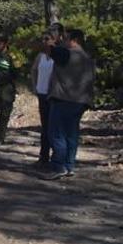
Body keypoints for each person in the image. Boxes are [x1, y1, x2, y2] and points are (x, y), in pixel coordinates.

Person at [41, 29, 96, 180]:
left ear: (74, 40)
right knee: (71, 135)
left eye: (65, 38)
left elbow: (49, 50)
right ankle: (69, 165)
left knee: (56, 134)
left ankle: (59, 166)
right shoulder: (88, 58)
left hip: (63, 99)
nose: (64, 41)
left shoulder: (66, 53)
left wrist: (50, 42)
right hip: (81, 101)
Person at [30, 31, 56, 165]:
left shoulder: (57, 56)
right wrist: (34, 85)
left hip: (54, 95)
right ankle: (43, 156)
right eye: (43, 39)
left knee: (54, 126)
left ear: (53, 40)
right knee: (45, 126)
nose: (44, 42)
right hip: (42, 93)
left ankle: (56, 157)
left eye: (47, 39)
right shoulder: (40, 56)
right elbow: (33, 70)